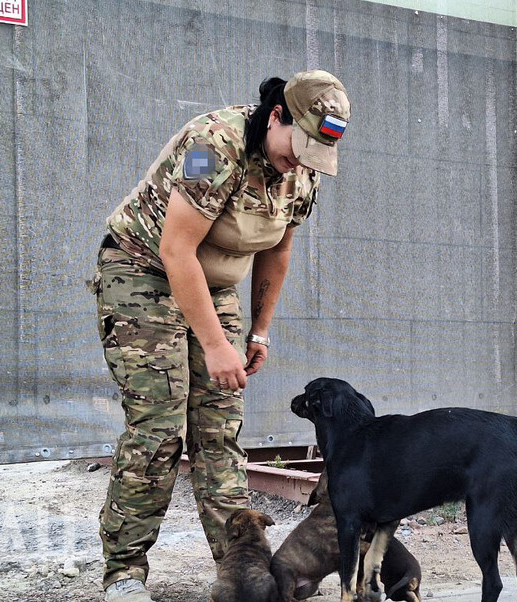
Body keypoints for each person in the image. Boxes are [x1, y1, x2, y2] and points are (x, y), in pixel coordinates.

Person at [90, 71, 350, 602]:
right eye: (297, 146)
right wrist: (214, 344)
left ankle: (243, 572)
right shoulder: (212, 145)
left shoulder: (303, 167)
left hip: (215, 283)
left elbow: (278, 249)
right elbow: (176, 251)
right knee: (158, 427)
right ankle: (123, 574)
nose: (300, 161)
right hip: (144, 273)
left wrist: (259, 332)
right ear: (277, 115)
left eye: (312, 154)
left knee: (219, 428)